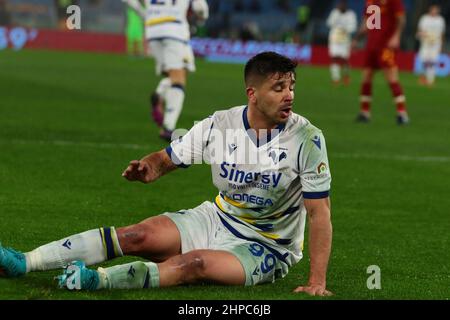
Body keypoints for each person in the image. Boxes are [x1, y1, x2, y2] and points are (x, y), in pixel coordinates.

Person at [0, 52, 333, 296]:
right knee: (137, 236)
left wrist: (317, 281)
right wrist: (149, 168)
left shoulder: (307, 138)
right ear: (252, 94)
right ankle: (24, 262)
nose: (289, 95)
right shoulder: (220, 124)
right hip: (217, 218)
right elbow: (167, 158)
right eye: (278, 87)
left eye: (291, 86)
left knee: (195, 264)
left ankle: (97, 280)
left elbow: (319, 213)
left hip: (267, 245)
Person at [123, 0, 209, 141]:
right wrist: (202, 17)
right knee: (178, 80)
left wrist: (147, 16)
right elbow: (200, 7)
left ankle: (160, 94)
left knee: (177, 72)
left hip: (152, 30)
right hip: (175, 30)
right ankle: (168, 127)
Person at [352, 0, 409, 125]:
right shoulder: (370, 2)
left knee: (392, 78)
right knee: (366, 77)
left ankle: (402, 113)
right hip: (371, 46)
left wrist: (396, 36)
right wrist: (356, 39)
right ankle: (365, 112)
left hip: (386, 46)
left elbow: (401, 18)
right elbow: (367, 23)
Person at [326, 1, 357, 85]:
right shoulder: (334, 13)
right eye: (340, 4)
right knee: (334, 57)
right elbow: (329, 23)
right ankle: (335, 78)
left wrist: (345, 29)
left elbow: (353, 27)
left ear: (345, 6)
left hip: (345, 40)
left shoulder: (351, 14)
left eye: (343, 5)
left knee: (344, 59)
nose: (341, 6)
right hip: (334, 38)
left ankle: (346, 76)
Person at [417, 5, 446, 87]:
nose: (434, 11)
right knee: (424, 60)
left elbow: (442, 34)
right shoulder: (424, 18)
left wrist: (441, 45)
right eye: (433, 10)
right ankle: (423, 77)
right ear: (430, 10)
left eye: (436, 10)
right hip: (425, 43)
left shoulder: (440, 20)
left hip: (436, 44)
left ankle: (430, 80)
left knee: (433, 61)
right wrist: (422, 35)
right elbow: (420, 31)